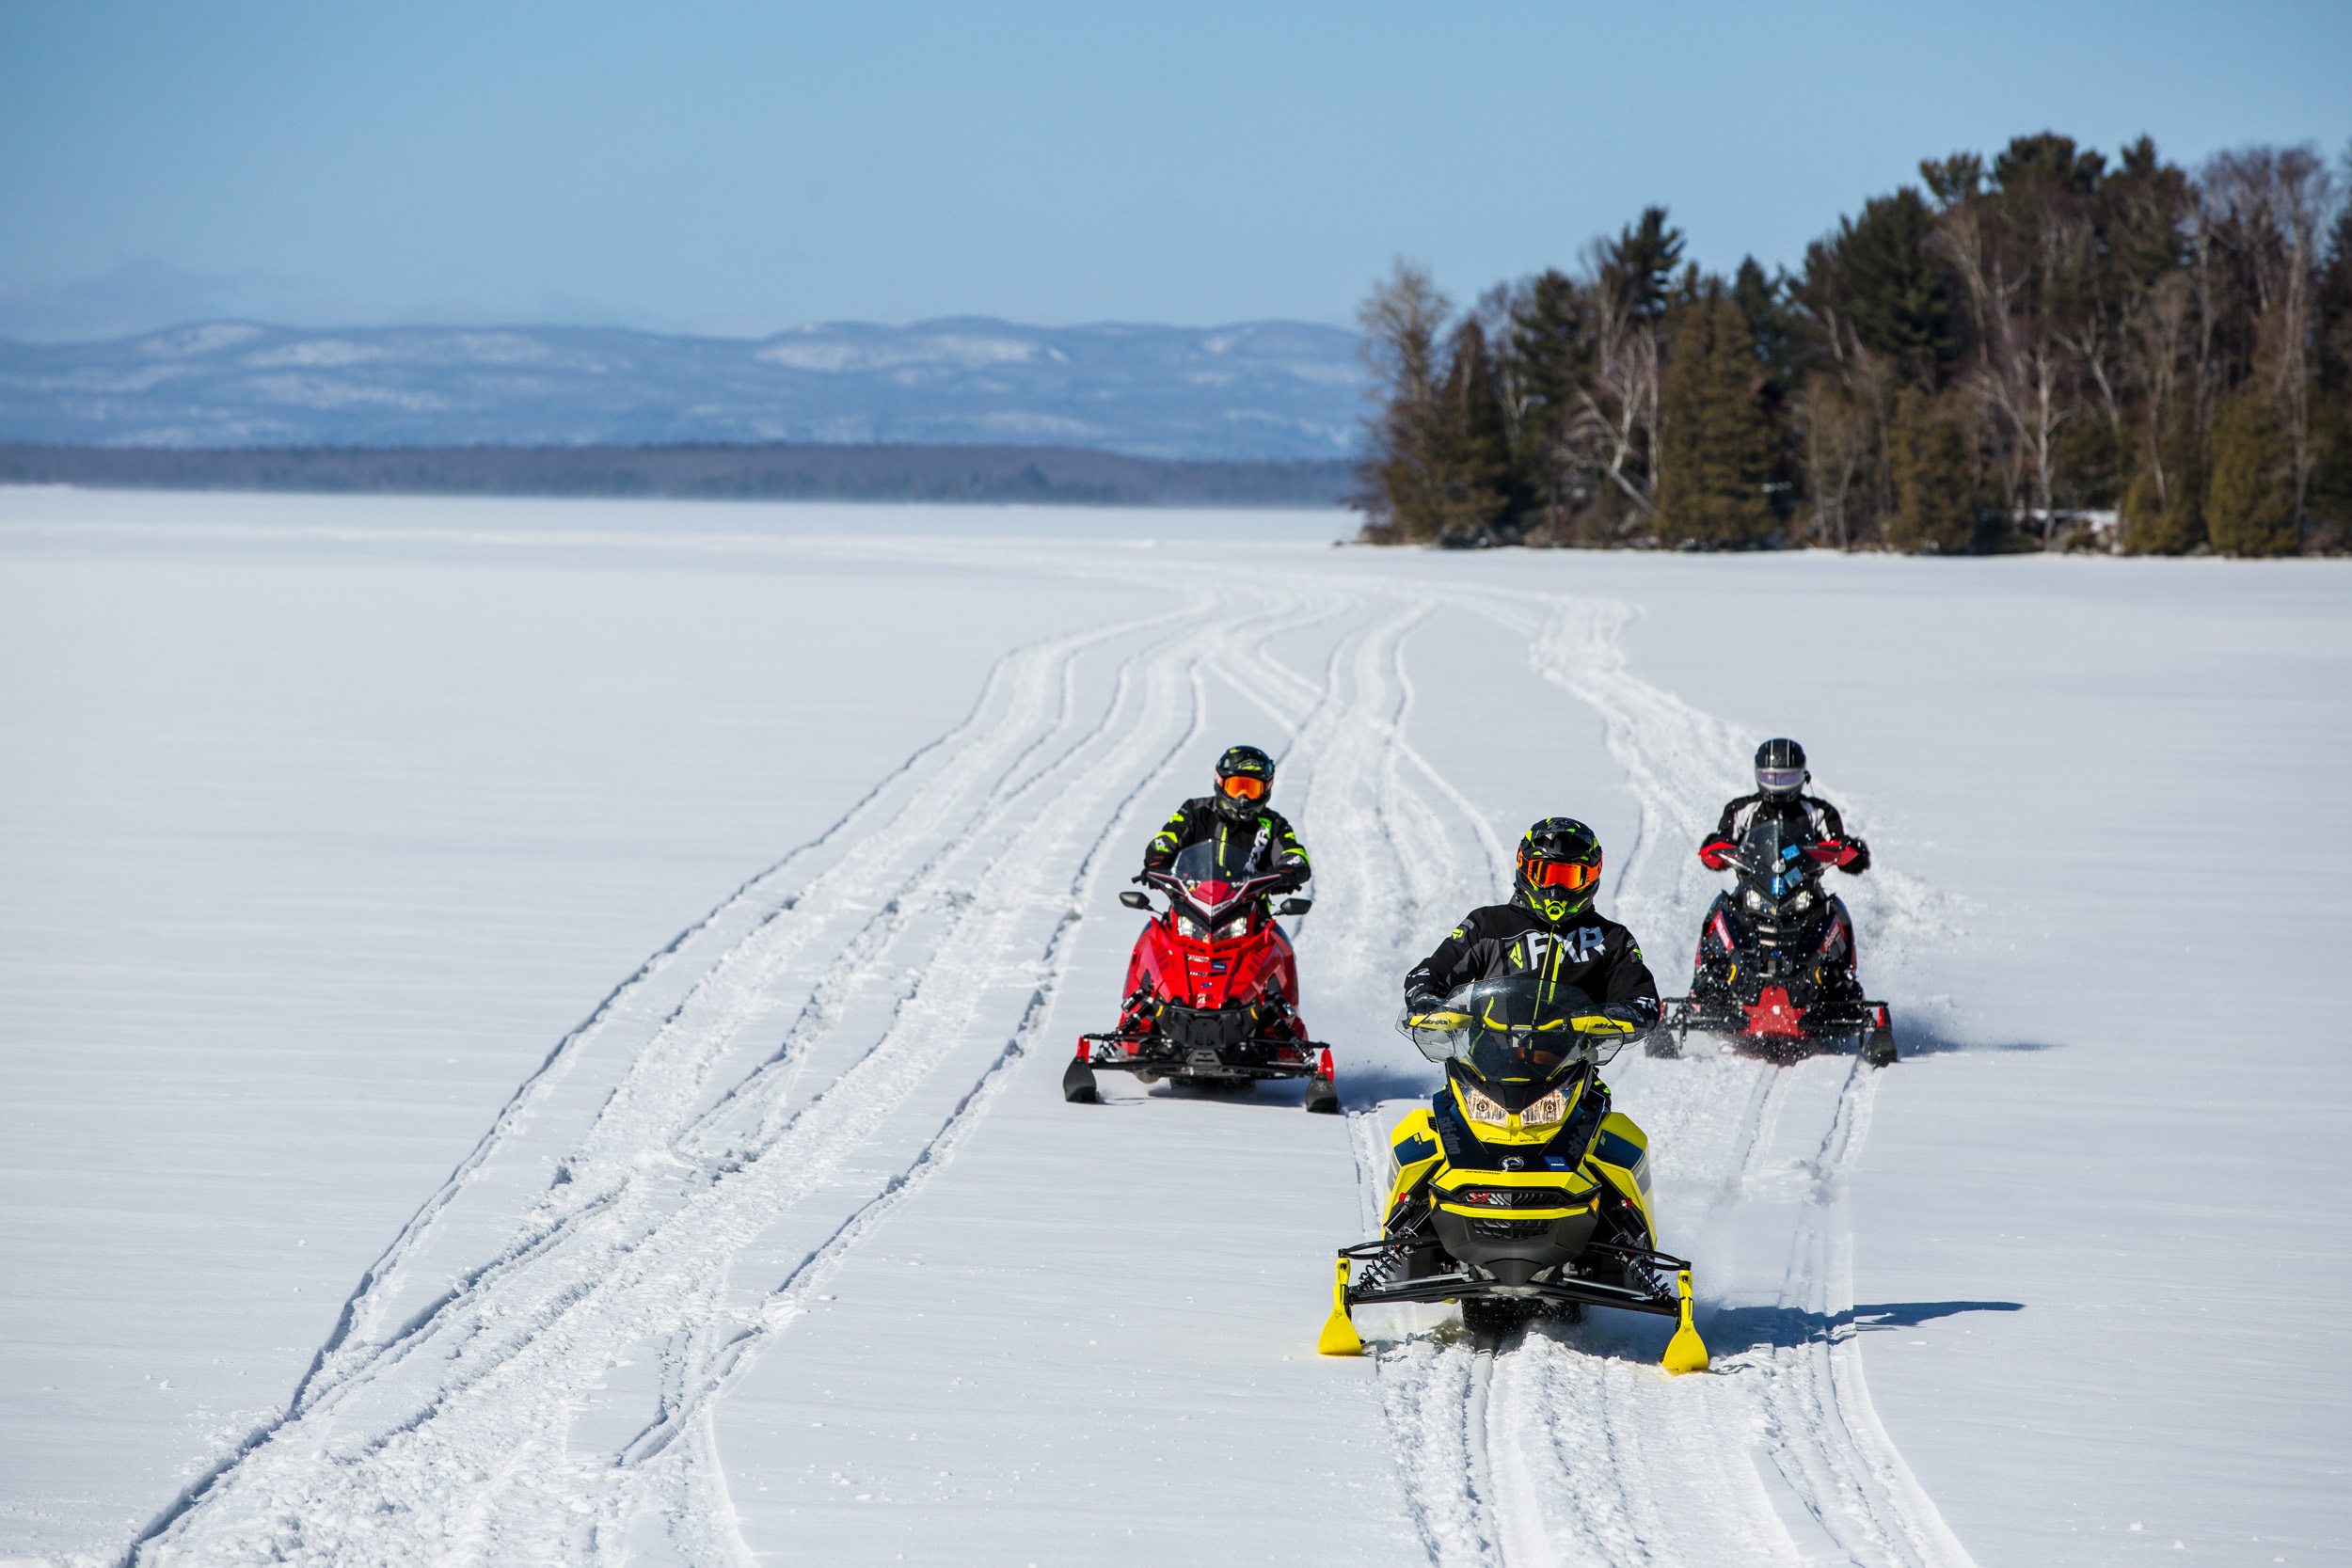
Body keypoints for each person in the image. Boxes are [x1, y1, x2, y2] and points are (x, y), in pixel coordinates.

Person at [1402, 817, 1660, 1033]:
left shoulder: (1611, 939)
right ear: (1524, 869)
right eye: (1545, 874)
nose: (1555, 888)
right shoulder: (1487, 925)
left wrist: (1621, 1016)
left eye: (1569, 877)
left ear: (1591, 878)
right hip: (1483, 1064)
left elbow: (1643, 999)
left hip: (1571, 1071)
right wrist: (1426, 999)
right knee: (1444, 1096)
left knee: (1597, 1097)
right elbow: (1429, 972)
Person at [1137, 744, 1311, 893]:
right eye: (1236, 787)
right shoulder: (1195, 811)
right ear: (1220, 782)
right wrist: (1158, 861)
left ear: (1266, 788)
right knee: (1154, 931)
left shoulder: (1274, 824)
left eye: (1252, 789)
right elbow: (1165, 839)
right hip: (1189, 904)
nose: (1243, 797)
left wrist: (1290, 871)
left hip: (1251, 911)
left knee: (1275, 934)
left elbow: (1294, 853)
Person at [1697, 738, 1870, 875]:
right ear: (1758, 775)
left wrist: (1851, 851)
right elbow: (1722, 845)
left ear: (1803, 776)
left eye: (1787, 778)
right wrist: (1715, 847)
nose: (1778, 785)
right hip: (1753, 889)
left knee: (1836, 911)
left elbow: (1839, 845)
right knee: (1721, 909)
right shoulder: (1740, 810)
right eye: (1771, 778)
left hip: (1804, 890)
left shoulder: (1819, 812)